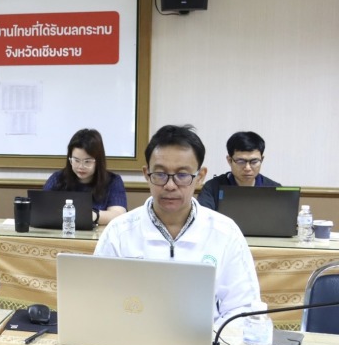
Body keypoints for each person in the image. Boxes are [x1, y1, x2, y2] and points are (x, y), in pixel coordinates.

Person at [95, 124, 261, 324]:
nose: (170, 185)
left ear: (200, 177)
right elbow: (100, 302)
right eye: (160, 174)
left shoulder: (225, 232)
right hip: (134, 342)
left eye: (182, 175)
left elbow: (243, 309)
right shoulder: (119, 232)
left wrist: (211, 342)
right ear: (147, 174)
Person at [43, 128, 127, 225]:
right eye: (76, 160)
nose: (81, 167)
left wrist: (93, 215)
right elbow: (42, 207)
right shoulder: (58, 178)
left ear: (98, 161)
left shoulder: (113, 181)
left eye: (87, 161)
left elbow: (119, 215)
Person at [197, 131, 280, 210]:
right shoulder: (212, 187)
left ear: (262, 159)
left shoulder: (275, 189)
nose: (247, 168)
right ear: (229, 160)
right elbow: (203, 220)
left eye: (254, 162)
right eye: (241, 161)